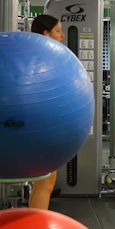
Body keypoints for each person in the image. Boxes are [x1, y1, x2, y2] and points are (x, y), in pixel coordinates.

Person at [28, 14, 64, 209]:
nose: (62, 35)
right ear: (46, 34)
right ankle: (37, 225)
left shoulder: (32, 57)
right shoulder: (46, 60)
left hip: (38, 124)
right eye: (58, 31)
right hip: (44, 125)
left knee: (41, 182)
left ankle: (32, 221)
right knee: (46, 183)